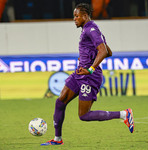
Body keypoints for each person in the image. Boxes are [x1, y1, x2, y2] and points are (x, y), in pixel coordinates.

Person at [41, 3, 134, 146]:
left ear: (85, 16)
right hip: (79, 73)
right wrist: (87, 57)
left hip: (90, 76)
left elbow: (103, 51)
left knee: (84, 115)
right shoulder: (90, 29)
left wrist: (90, 68)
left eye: (77, 16)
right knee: (60, 101)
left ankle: (124, 114)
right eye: (74, 16)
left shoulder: (91, 29)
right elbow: (109, 52)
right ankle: (57, 139)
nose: (74, 19)